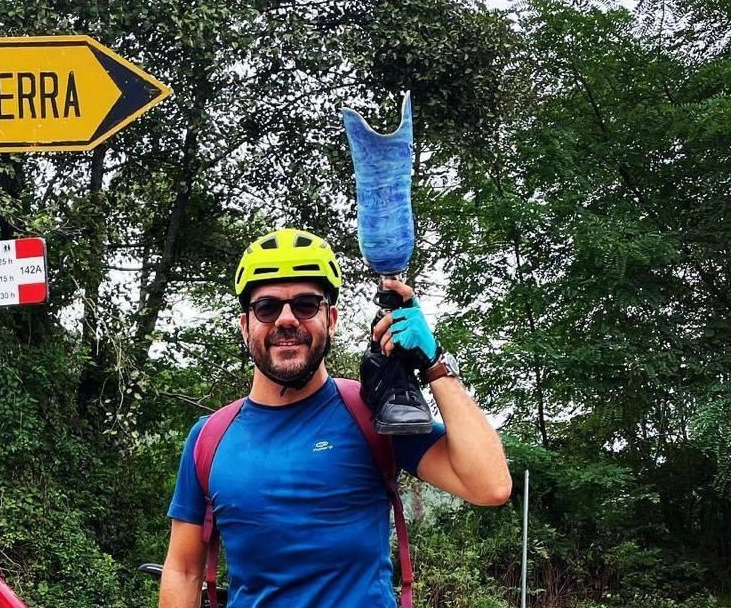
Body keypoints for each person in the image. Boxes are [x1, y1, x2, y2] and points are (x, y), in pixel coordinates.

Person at [159, 228, 511, 608]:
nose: (286, 320)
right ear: (246, 325)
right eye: (267, 308)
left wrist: (435, 364)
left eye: (306, 305)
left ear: (331, 318)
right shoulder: (210, 438)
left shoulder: (370, 413)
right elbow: (183, 570)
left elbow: (489, 485)